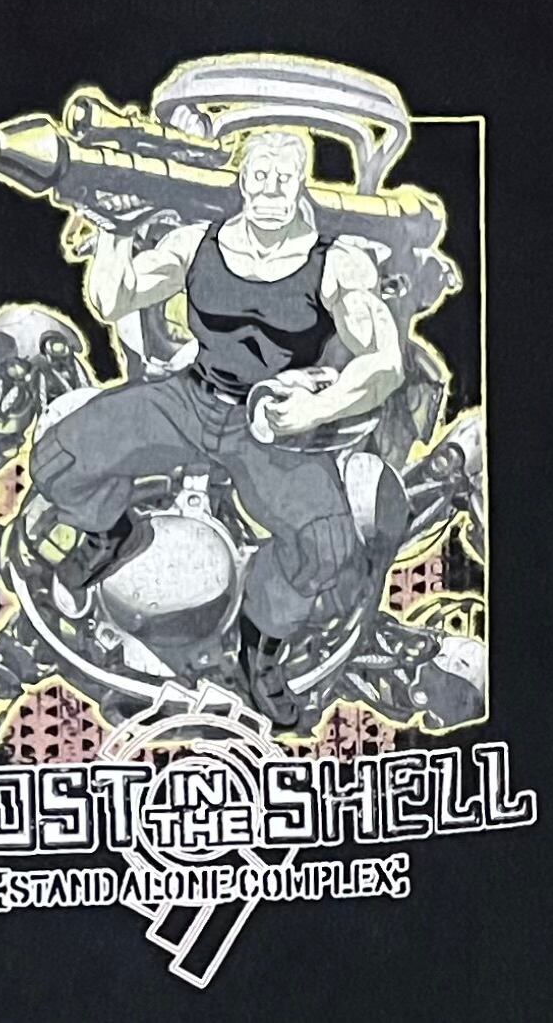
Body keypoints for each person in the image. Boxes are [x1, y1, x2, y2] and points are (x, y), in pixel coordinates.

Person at [26, 128, 405, 724]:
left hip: (267, 427)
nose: (271, 190)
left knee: (326, 547)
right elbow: (114, 299)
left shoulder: (337, 264)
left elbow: (385, 362)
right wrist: (113, 229)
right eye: (260, 175)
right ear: (242, 180)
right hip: (190, 399)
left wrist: (316, 409)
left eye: (284, 177)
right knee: (58, 460)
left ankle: (262, 649)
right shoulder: (196, 243)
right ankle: (111, 534)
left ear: (300, 184)